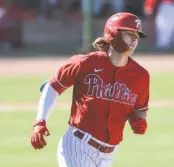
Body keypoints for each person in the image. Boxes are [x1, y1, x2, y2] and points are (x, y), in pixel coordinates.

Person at [30, 12, 150, 167]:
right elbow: (53, 86)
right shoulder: (84, 63)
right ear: (113, 33)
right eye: (129, 33)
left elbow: (140, 108)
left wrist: (139, 119)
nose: (134, 39)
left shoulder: (140, 75)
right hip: (77, 147)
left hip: (109, 154)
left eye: (137, 35)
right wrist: (40, 121)